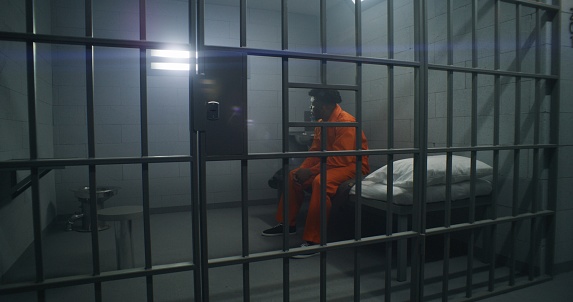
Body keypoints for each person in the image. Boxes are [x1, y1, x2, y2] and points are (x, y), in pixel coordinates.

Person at [262, 89, 370, 258]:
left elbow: (341, 159)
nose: (311, 108)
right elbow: (315, 152)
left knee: (320, 182)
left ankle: (314, 240)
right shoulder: (322, 122)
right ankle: (287, 224)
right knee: (292, 176)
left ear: (325, 106)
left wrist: (311, 172)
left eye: (313, 105)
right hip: (332, 163)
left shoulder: (346, 122)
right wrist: (302, 170)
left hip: (352, 165)